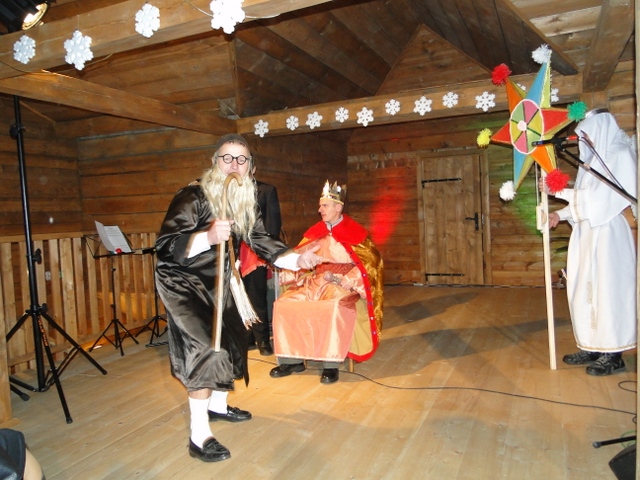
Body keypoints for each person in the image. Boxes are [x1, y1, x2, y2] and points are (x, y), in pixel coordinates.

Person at [155, 133, 324, 462]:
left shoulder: (244, 200)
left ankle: (217, 406)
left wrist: (297, 259)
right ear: (214, 163)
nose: (234, 164)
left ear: (251, 167)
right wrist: (207, 237)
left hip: (221, 280)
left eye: (241, 159)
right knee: (205, 347)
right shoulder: (192, 196)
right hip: (183, 282)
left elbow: (260, 239)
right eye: (227, 158)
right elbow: (165, 246)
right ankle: (199, 435)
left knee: (232, 339)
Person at [540, 108, 637, 376]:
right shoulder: (590, 162)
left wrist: (560, 190)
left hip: (608, 237)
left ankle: (613, 354)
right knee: (582, 291)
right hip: (585, 235)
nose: (585, 140)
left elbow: (600, 203)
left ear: (601, 130)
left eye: (588, 134)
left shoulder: (620, 156)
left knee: (608, 293)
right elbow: (584, 200)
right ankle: (591, 345)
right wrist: (559, 215)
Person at [269, 181, 384, 384]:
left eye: (324, 206)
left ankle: (330, 364)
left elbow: (371, 263)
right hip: (315, 281)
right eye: (320, 205)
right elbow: (298, 256)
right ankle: (291, 360)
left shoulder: (355, 233)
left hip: (341, 283)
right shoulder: (316, 232)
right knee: (284, 304)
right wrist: (292, 271)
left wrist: (347, 279)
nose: (319, 209)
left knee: (331, 307)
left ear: (338, 207)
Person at [240, 166, 282, 356]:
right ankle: (246, 337)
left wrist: (268, 252)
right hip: (234, 251)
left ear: (254, 168)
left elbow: (273, 224)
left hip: (254, 252)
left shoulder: (266, 190)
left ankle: (262, 340)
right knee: (238, 296)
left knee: (257, 296)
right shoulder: (227, 191)